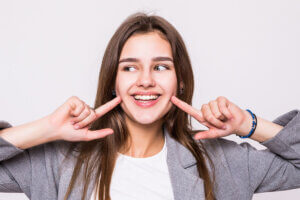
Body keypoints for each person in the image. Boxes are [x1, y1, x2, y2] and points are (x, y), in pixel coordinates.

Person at [0, 12, 299, 200]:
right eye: (129, 68)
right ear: (112, 82)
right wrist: (47, 129)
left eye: (160, 67)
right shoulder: (61, 160)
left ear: (180, 80)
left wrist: (249, 124)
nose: (145, 80)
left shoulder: (222, 163)